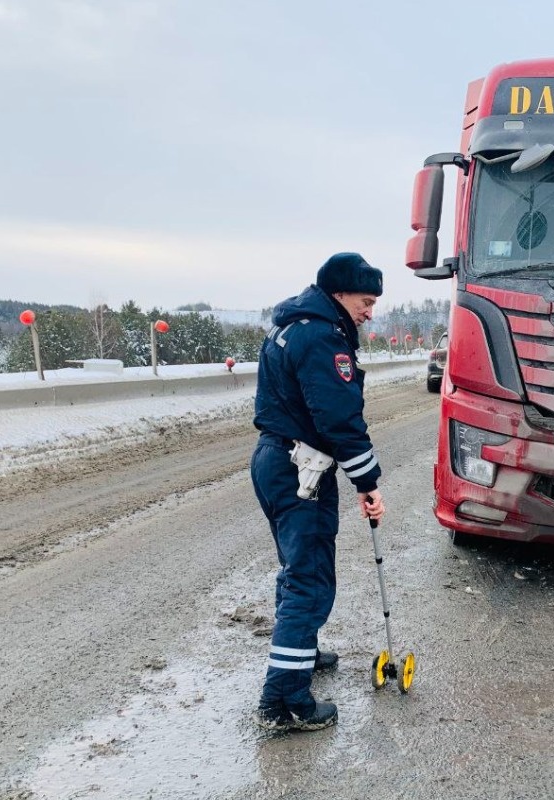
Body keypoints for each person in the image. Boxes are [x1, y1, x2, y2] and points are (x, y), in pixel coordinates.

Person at [250, 252, 386, 733]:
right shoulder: (321, 338)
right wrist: (368, 482)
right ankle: (284, 700)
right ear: (340, 293)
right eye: (366, 302)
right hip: (297, 468)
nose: (370, 312)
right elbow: (339, 418)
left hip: (278, 460)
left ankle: (300, 652)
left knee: (298, 568)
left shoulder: (295, 326)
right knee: (309, 579)